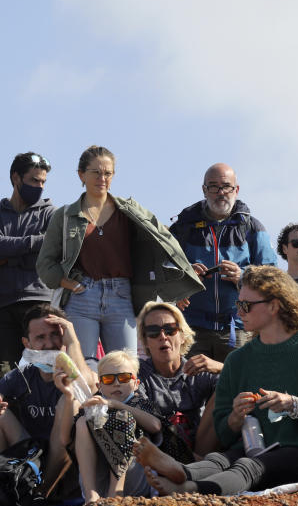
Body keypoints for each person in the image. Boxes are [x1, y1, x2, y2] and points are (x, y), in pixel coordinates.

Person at [136, 265, 298, 496]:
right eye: (238, 304)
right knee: (219, 460)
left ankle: (189, 489)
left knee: (248, 467)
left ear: (274, 306)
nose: (239, 312)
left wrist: (294, 404)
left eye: (246, 305)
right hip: (251, 448)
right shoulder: (238, 360)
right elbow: (222, 431)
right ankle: (181, 471)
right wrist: (234, 417)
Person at [37, 145, 202, 363]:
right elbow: (45, 264)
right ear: (81, 175)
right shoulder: (65, 215)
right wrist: (69, 284)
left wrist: (179, 280)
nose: (102, 178)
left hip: (121, 295)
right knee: (83, 367)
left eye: (107, 173)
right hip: (82, 297)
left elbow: (166, 243)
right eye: (96, 172)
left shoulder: (130, 211)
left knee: (126, 366)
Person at [0, 304, 93, 496]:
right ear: (27, 343)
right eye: (40, 337)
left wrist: (73, 343)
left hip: (69, 466)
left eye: (55, 334)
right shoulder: (21, 376)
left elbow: (86, 385)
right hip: (32, 460)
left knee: (68, 400)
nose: (49, 343)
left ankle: (40, 495)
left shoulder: (83, 366)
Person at [169, 163, 276, 362]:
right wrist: (184, 275)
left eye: (226, 186)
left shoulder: (252, 228)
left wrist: (243, 276)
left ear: (236, 190)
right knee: (192, 390)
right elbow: (160, 267)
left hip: (238, 328)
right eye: (213, 186)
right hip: (191, 330)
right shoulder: (183, 227)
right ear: (204, 190)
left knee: (239, 388)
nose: (220, 192)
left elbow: (273, 276)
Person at [55, 350, 161, 503]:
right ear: (100, 385)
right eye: (109, 379)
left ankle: (115, 494)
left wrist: (116, 405)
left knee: (122, 418)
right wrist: (69, 396)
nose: (117, 383)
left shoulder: (139, 403)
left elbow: (155, 425)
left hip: (135, 482)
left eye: (124, 378)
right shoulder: (95, 405)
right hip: (99, 483)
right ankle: (91, 495)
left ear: (136, 383)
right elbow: (65, 440)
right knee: (82, 422)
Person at [0, 152, 55, 382]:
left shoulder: (51, 213)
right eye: (34, 180)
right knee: (2, 380)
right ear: (16, 178)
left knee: (47, 372)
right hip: (3, 306)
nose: (40, 186)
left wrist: (8, 258)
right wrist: (34, 243)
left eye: (43, 182)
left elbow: (51, 249)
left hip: (39, 302)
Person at [135, 301, 220, 461]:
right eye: (153, 332)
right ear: (145, 341)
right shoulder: (138, 373)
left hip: (201, 447)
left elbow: (246, 382)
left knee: (227, 389)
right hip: (158, 452)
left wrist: (222, 367)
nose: (162, 336)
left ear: (182, 336)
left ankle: (198, 466)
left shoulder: (199, 368)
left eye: (170, 329)